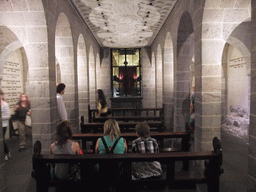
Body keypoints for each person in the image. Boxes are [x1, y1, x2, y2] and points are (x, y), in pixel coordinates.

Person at [0, 90, 11, 160]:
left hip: (3, 125)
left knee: (2, 140)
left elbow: (8, 116)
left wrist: (1, 118)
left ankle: (7, 152)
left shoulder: (5, 104)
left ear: (2, 96)